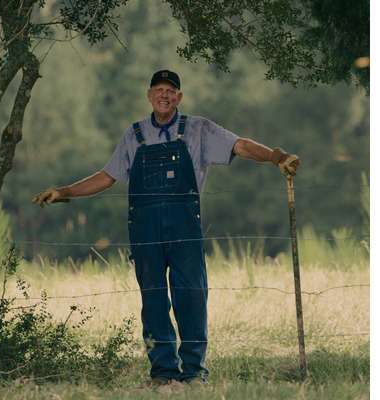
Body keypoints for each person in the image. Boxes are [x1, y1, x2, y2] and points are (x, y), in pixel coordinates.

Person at [32, 69, 299, 386]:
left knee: (192, 296)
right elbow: (107, 177)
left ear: (179, 97)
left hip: (185, 228)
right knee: (154, 299)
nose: (164, 95)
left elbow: (239, 146)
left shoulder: (199, 129)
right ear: (149, 95)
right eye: (158, 89)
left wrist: (275, 156)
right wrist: (64, 192)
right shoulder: (134, 134)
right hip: (145, 231)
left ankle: (194, 372)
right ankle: (162, 373)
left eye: (171, 90)